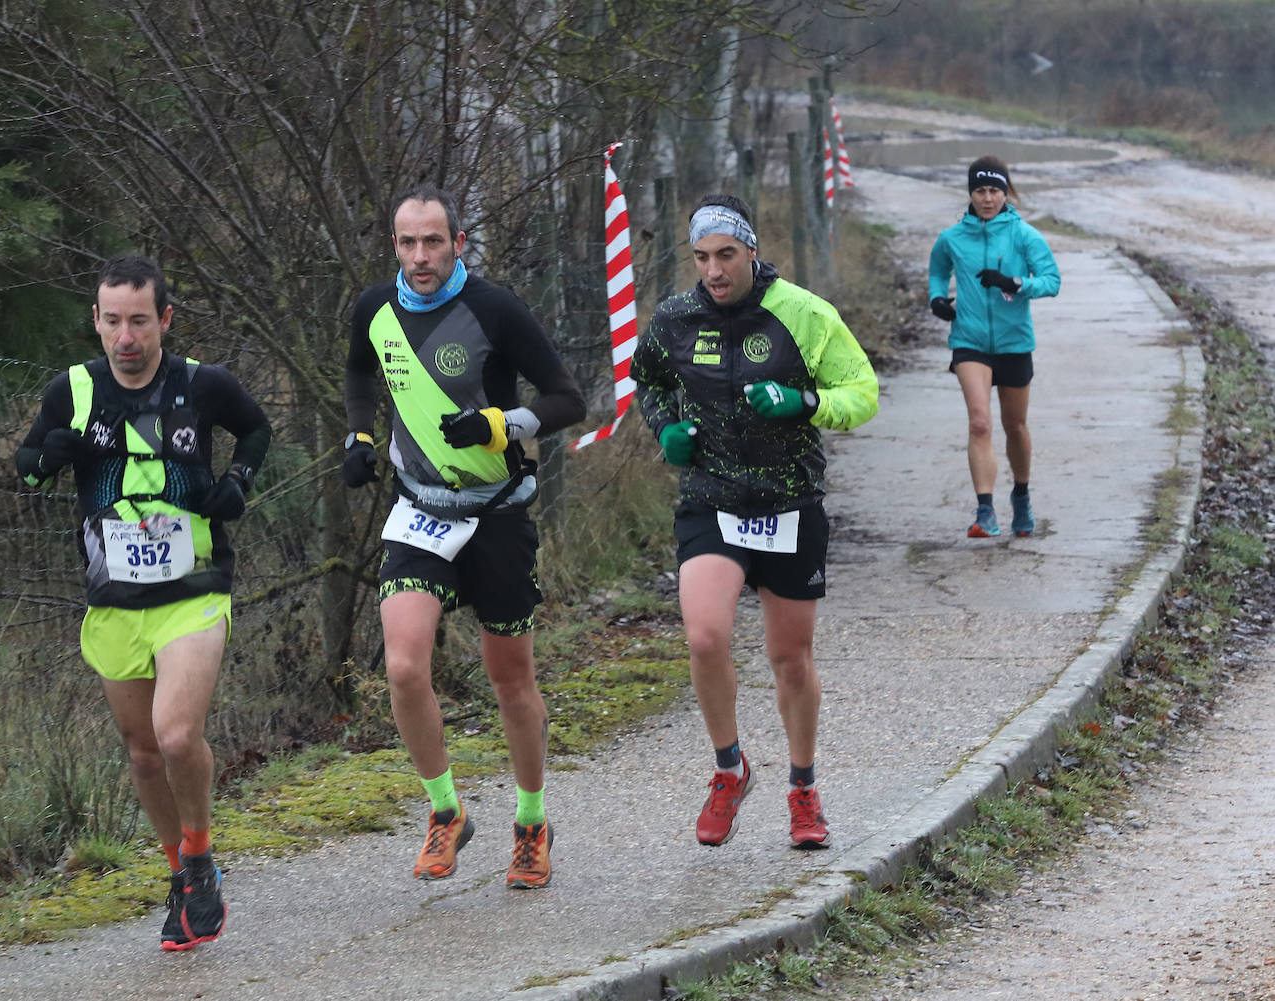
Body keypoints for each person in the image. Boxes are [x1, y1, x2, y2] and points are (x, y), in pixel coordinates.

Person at [16, 255, 271, 951]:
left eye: (138, 321)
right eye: (112, 322)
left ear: (164, 319)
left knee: (177, 734)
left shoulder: (203, 383)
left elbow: (256, 430)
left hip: (194, 588)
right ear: (96, 322)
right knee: (144, 753)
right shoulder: (72, 390)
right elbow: (28, 470)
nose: (125, 337)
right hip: (115, 596)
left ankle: (200, 858)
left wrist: (238, 481)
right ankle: (182, 876)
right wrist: (49, 457)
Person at [342, 184, 586, 888]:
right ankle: (446, 811)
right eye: (408, 242)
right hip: (419, 510)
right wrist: (359, 436)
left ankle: (531, 822)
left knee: (511, 679)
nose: (420, 256)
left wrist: (501, 425)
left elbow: (568, 399)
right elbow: (358, 371)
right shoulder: (374, 309)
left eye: (433, 241)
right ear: (394, 246)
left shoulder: (494, 309)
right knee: (403, 667)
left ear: (458, 243)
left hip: (497, 513)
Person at [630, 194, 879, 850]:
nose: (714, 271)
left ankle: (803, 787)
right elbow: (645, 379)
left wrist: (804, 402)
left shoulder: (803, 314)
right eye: (702, 257)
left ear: (751, 251)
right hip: (711, 499)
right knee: (705, 636)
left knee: (789, 658)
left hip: (788, 502)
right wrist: (666, 429)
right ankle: (729, 768)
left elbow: (863, 393)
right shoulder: (676, 318)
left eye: (726, 255)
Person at [928, 155, 1061, 538]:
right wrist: (938, 299)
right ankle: (985, 510)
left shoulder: (1024, 236)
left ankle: (1021, 495)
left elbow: (1052, 280)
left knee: (1014, 426)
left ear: (1006, 193)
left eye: (994, 191)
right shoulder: (952, 238)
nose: (987, 199)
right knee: (980, 422)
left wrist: (1014, 283)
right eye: (980, 191)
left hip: (1014, 342)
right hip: (969, 340)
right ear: (970, 193)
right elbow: (938, 270)